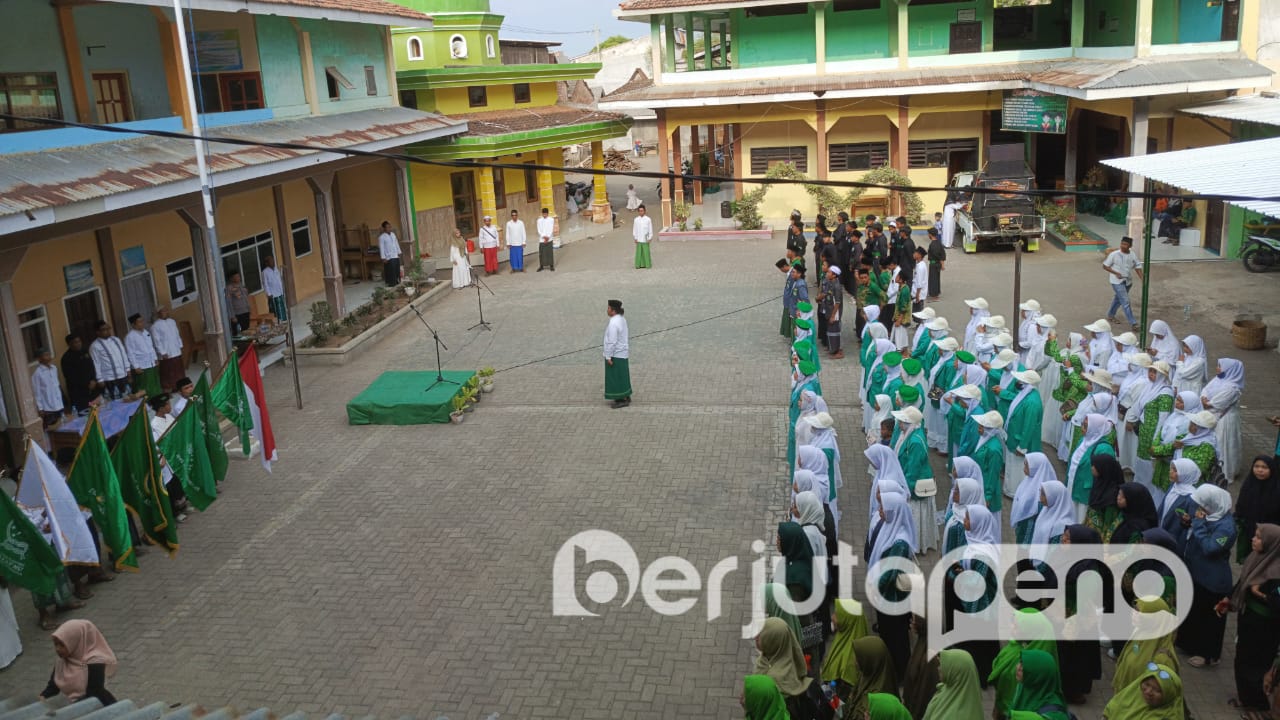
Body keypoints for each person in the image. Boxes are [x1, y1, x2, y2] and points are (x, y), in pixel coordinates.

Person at [1223, 524, 1280, 715]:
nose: (1253, 540)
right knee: (1242, 659)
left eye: (1258, 537)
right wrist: (1229, 600)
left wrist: (1260, 595)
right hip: (1248, 619)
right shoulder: (1256, 558)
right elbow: (1243, 583)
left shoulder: (1276, 571)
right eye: (1255, 536)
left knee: (1255, 664)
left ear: (1271, 543)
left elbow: (1277, 601)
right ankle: (1245, 698)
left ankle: (1258, 704)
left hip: (1265, 626)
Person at [1177, 484, 1235, 667]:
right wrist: (1188, 522)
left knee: (1210, 619)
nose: (1198, 509)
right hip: (1197, 573)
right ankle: (1188, 644)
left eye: (1202, 505)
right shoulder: (1208, 515)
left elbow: (1210, 548)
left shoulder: (1226, 528)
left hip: (1213, 580)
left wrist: (1198, 525)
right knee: (1195, 611)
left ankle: (1208, 654)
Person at [868, 492, 918, 678]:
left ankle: (899, 671)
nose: (880, 511)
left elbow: (889, 573)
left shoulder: (900, 542)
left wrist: (874, 586)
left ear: (894, 512)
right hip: (888, 594)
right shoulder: (892, 527)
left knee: (896, 636)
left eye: (883, 508)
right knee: (890, 632)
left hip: (892, 597)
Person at [988, 609, 1058, 718]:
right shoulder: (1015, 645)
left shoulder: (1039, 663)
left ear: (1031, 630)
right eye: (1012, 624)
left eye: (1017, 626)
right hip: (1003, 707)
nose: (1011, 628)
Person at [39, 619, 117, 705]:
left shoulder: (94, 662)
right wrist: (42, 697)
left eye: (62, 645)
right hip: (76, 705)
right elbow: (53, 687)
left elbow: (93, 693)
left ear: (75, 641)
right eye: (55, 644)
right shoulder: (62, 661)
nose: (57, 649)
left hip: (97, 705)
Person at [1202, 357, 1245, 483]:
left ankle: (1225, 471)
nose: (1217, 368)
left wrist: (1207, 403)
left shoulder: (1233, 388)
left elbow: (1218, 403)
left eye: (1220, 366)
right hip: (1216, 415)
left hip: (1226, 420)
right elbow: (1205, 389)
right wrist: (1204, 398)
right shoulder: (1218, 380)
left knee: (1224, 443)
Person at [1066, 414, 1116, 521]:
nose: (1082, 429)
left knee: (1081, 521)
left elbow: (1106, 477)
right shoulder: (1083, 441)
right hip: (1073, 487)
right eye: (1082, 425)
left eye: (1085, 426)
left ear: (1095, 428)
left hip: (1087, 495)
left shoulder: (1104, 449)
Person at [1004, 369, 1044, 499]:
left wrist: (1022, 446)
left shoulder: (1032, 402)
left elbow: (1029, 427)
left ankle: (1016, 493)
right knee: (1013, 467)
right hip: (1013, 438)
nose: (1018, 382)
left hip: (1020, 443)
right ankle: (1010, 489)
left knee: (1019, 470)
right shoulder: (1025, 394)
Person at [1236, 456, 1280, 564]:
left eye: (1264, 467)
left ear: (1272, 470)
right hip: (1250, 530)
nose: (1260, 470)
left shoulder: (1276, 489)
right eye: (1257, 466)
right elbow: (1241, 506)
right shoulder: (1248, 484)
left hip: (1270, 535)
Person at [1103, 662, 1184, 720]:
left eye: (1157, 690)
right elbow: (1111, 708)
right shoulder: (1132, 694)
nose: (1148, 691)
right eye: (1147, 684)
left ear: (1169, 695)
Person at [1007, 648, 1069, 720]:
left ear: (1040, 676)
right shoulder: (1024, 686)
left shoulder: (1055, 715)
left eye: (1027, 668)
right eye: (1020, 662)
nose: (1019, 668)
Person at [922, 649, 982, 719]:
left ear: (957, 672)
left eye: (942, 666)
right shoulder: (950, 689)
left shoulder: (956, 716)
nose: (939, 668)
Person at [1013, 452, 1057, 544]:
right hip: (1023, 526)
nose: (1023, 468)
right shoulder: (1029, 480)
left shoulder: (1045, 491)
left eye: (1026, 465)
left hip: (1032, 531)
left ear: (1036, 468)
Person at [1157, 458, 1199, 551]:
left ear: (1185, 474)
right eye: (1171, 468)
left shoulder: (1191, 497)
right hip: (1162, 529)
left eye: (1175, 470)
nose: (1170, 472)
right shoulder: (1174, 485)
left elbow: (1190, 523)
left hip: (1175, 538)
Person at [1103, 236, 1142, 331]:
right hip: (1116, 282)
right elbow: (1105, 266)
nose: (1123, 246)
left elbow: (1137, 266)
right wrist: (1116, 273)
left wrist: (1142, 278)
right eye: (1122, 244)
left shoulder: (1132, 254)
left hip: (1128, 281)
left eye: (1125, 244)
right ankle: (1134, 323)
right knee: (1125, 301)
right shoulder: (1114, 254)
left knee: (1118, 299)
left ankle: (1110, 315)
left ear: (1130, 246)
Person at [1085, 454, 1125, 541]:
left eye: (1095, 466)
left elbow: (1109, 527)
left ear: (1103, 469)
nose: (1092, 468)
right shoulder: (1099, 483)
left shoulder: (1112, 498)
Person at [89, 321, 131, 400]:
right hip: (109, 378)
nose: (108, 331)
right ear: (98, 332)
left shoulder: (116, 340)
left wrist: (128, 369)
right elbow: (96, 363)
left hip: (122, 375)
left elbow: (123, 355)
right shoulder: (95, 346)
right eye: (104, 329)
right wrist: (99, 379)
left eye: (108, 328)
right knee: (115, 401)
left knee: (127, 398)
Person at [602, 299, 631, 408]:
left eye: (608, 308)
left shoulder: (613, 323)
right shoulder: (621, 319)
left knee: (615, 377)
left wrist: (608, 356)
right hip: (622, 352)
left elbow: (612, 341)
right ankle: (626, 395)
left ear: (613, 311)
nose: (607, 310)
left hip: (616, 354)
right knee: (623, 376)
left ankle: (621, 399)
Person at [124, 314, 161, 397]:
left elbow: (151, 347)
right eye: (139, 322)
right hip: (141, 366)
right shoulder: (130, 337)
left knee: (154, 383)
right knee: (144, 386)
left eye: (142, 321)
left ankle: (156, 399)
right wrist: (136, 366)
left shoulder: (146, 332)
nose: (142, 323)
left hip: (151, 363)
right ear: (133, 324)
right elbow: (130, 353)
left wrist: (155, 358)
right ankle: (145, 403)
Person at [61, 335, 98, 414]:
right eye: (75, 342)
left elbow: (92, 366)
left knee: (97, 411)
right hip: (79, 393)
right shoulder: (66, 358)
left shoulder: (85, 352)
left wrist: (94, 379)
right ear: (69, 344)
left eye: (79, 341)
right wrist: (86, 384)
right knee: (85, 415)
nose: (78, 344)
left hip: (92, 389)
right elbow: (71, 377)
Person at [32, 348, 68, 428]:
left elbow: (57, 385)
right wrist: (40, 408)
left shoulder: (54, 368)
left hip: (59, 403)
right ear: (39, 359)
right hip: (48, 407)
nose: (49, 357)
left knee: (63, 425)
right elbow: (36, 392)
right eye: (45, 355)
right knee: (53, 428)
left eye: (49, 354)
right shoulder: (37, 374)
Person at [150, 306, 184, 391]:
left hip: (176, 350)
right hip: (166, 353)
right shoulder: (155, 326)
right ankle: (168, 388)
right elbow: (156, 341)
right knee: (168, 372)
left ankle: (179, 386)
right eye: (163, 311)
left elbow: (177, 334)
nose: (165, 312)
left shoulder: (172, 321)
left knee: (178, 370)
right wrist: (162, 352)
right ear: (158, 314)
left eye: (166, 310)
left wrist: (180, 345)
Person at [820, 265, 844, 358]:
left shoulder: (836, 286)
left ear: (834, 275)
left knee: (834, 331)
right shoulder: (830, 283)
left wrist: (833, 315)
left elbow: (837, 302)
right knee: (830, 330)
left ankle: (836, 351)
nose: (827, 273)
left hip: (834, 312)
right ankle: (832, 347)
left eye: (829, 272)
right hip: (829, 310)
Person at [260, 256, 287, 324]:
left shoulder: (276, 269)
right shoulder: (265, 272)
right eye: (271, 261)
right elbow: (265, 284)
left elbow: (279, 280)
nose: (273, 262)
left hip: (280, 292)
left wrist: (283, 290)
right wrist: (268, 294)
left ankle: (284, 321)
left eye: (273, 260)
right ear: (267, 263)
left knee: (282, 308)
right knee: (275, 310)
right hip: (273, 295)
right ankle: (278, 323)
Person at [378, 220, 402, 286]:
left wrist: (399, 251)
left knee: (396, 269)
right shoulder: (382, 237)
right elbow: (381, 248)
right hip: (388, 257)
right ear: (384, 228)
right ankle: (391, 283)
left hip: (395, 255)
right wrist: (383, 258)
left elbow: (396, 243)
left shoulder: (393, 234)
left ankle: (397, 281)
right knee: (390, 270)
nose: (389, 228)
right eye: (387, 227)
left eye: (390, 227)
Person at [926, 227, 946, 301]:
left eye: (928, 234)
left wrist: (942, 264)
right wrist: (942, 264)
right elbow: (943, 254)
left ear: (931, 235)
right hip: (936, 264)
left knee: (934, 279)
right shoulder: (938, 243)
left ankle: (934, 296)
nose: (928, 235)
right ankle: (934, 293)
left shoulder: (933, 245)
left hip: (934, 264)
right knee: (935, 279)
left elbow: (939, 256)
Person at [632, 204, 653, 269]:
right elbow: (634, 229)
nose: (641, 212)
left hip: (645, 238)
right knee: (639, 253)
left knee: (646, 252)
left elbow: (650, 229)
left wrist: (650, 237)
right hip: (638, 238)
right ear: (638, 212)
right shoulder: (636, 220)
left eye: (642, 211)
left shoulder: (648, 219)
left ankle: (647, 265)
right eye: (640, 211)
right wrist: (635, 237)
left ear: (645, 211)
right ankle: (639, 265)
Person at [911, 245, 928, 312]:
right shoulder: (919, 264)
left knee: (918, 315)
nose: (914, 254)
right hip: (917, 294)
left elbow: (919, 283)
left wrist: (917, 295)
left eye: (915, 253)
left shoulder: (920, 267)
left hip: (918, 295)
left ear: (919, 255)